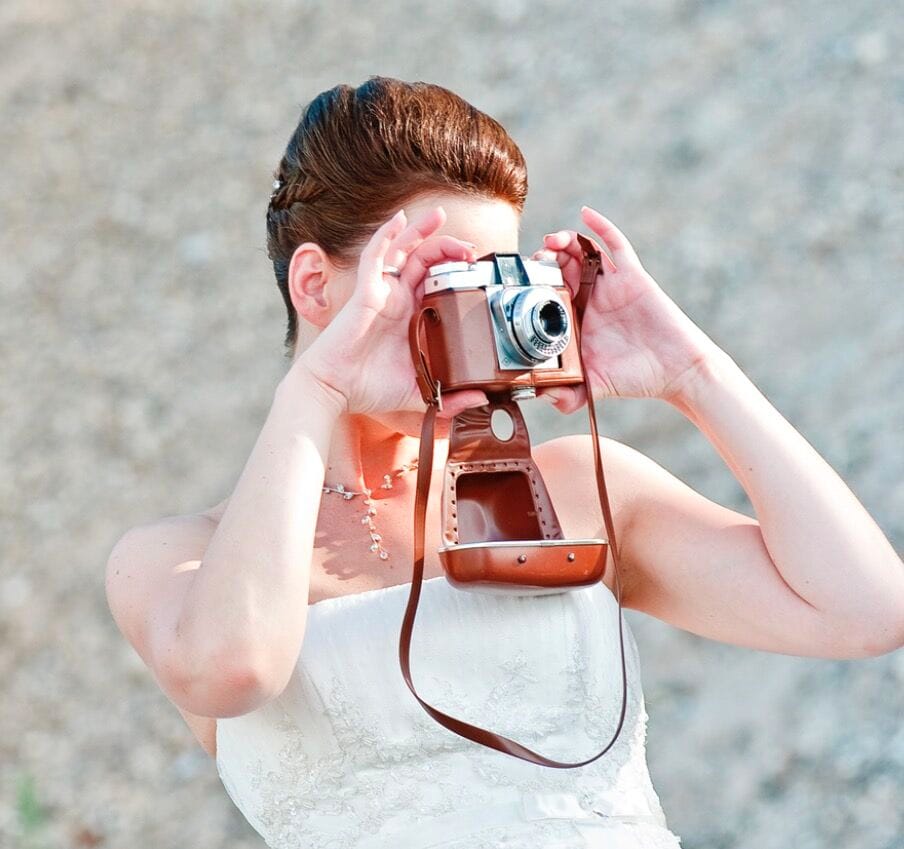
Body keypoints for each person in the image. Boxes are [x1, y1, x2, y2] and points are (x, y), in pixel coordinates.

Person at [104, 77, 904, 849]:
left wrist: (691, 371)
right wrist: (315, 389)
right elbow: (233, 671)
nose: (470, 317)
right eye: (434, 282)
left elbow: (864, 611)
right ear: (315, 283)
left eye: (489, 283)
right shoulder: (179, 559)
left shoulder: (577, 491)